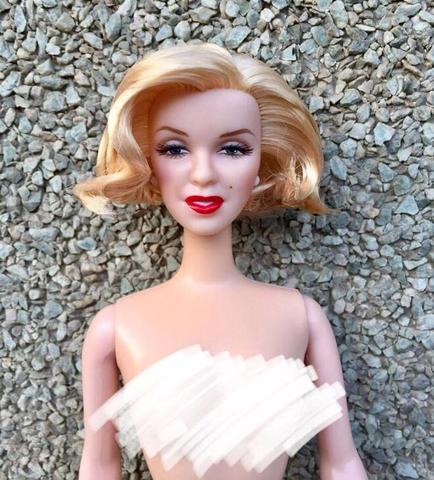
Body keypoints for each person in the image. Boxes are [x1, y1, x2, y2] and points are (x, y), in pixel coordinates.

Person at [73, 42, 368, 480]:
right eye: (175, 149)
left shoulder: (300, 317)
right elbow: (100, 465)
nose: (204, 174)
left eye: (232, 149)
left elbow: (341, 463)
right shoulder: (116, 327)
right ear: (149, 162)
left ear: (261, 164)